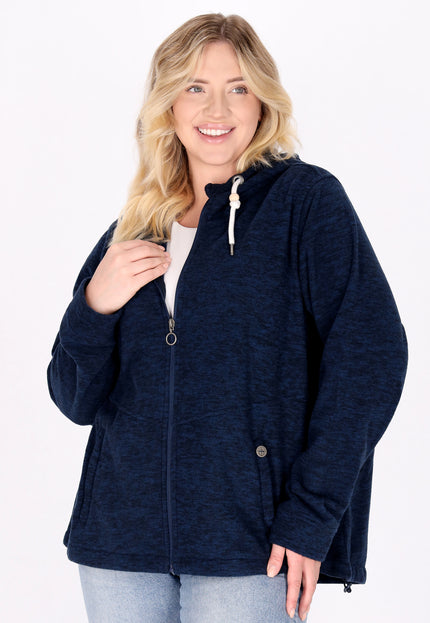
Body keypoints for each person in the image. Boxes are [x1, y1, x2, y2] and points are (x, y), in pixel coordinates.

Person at [47, 13, 408, 623]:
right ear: (167, 103)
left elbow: (370, 358)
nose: (216, 108)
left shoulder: (305, 204)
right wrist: (93, 306)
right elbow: (74, 399)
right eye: (195, 87)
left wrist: (311, 514)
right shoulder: (136, 227)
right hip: (119, 541)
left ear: (262, 101)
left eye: (237, 87)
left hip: (252, 544)